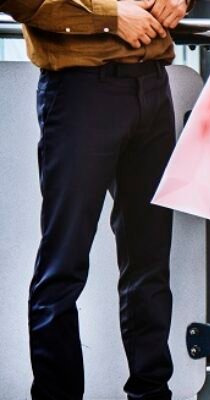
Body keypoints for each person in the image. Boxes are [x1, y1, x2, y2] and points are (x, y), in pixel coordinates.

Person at [0, 0, 191, 398]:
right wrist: (111, 16)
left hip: (153, 86)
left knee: (150, 264)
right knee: (63, 264)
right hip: (80, 91)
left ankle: (151, 393)